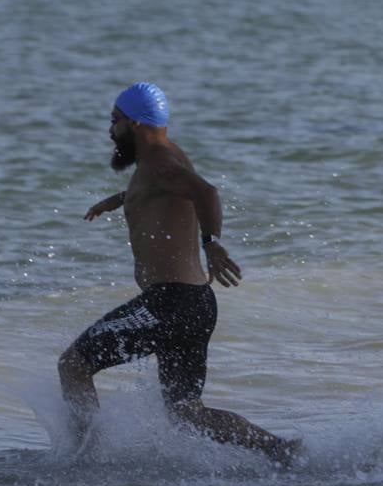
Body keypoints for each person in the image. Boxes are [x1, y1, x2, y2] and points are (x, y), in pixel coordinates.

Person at [57, 83, 299, 464]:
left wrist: (211, 243)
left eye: (114, 120)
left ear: (135, 122)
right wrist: (119, 200)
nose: (110, 130)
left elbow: (207, 193)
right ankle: (280, 450)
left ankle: (83, 462)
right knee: (186, 413)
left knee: (73, 364)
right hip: (195, 303)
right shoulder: (166, 159)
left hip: (169, 303)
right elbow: (169, 190)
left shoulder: (158, 163)